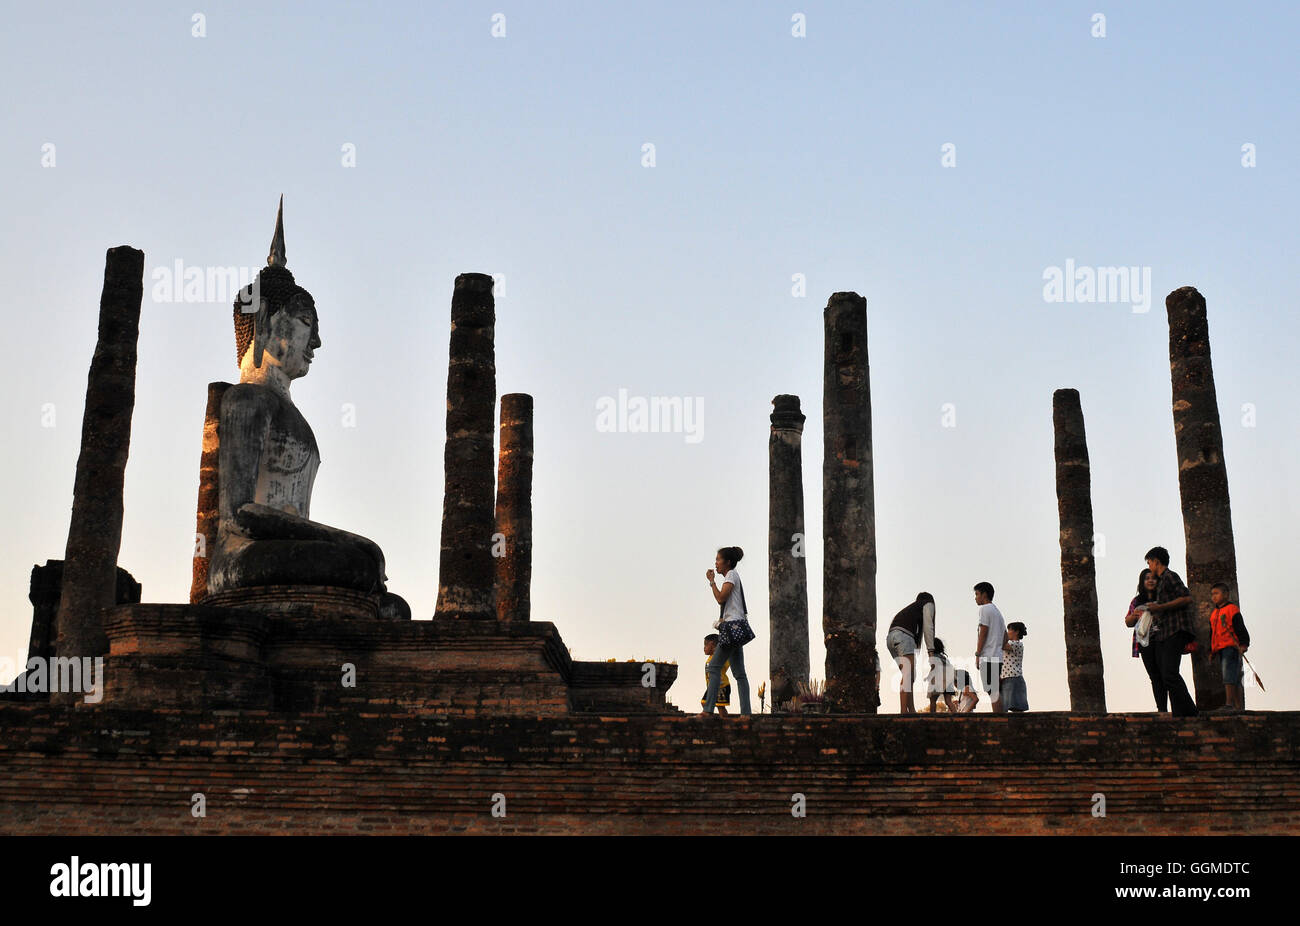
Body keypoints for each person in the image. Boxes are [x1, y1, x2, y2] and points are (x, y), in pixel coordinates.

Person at [1142, 546, 1198, 718]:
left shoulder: (1170, 576)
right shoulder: (1162, 582)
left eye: (1150, 562)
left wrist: (1160, 607)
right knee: (1167, 674)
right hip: (1167, 632)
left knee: (1169, 673)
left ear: (1156, 561)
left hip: (1177, 629)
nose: (1149, 566)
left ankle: (1190, 711)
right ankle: (1181, 713)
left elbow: (1186, 597)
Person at [700, 546, 752, 716]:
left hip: (731, 629)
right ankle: (746, 714)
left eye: (718, 560)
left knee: (714, 667)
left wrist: (712, 582)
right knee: (739, 674)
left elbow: (721, 598)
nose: (716, 563)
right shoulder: (733, 576)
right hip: (736, 628)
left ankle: (707, 711)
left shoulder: (731, 575)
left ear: (727, 562)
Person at [886, 592, 936, 714]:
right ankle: (903, 713)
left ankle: (911, 710)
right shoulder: (928, 604)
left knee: (909, 676)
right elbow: (928, 628)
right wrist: (931, 654)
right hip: (904, 636)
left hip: (891, 638)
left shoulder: (911, 609)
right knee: (908, 676)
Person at [1125, 569, 1166, 712]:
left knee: (1166, 673)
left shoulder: (1163, 598)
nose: (1150, 580)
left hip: (1162, 639)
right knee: (1154, 676)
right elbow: (1128, 622)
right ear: (1142, 582)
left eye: (1153, 578)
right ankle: (1162, 709)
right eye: (1147, 578)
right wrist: (1135, 615)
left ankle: (1175, 708)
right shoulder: (1136, 601)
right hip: (1145, 642)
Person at [1208, 582, 1251, 713]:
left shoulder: (1232, 610)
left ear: (1226, 594)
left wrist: (1244, 644)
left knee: (1229, 675)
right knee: (1234, 677)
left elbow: (1240, 628)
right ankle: (1238, 707)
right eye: (1212, 594)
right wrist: (1212, 650)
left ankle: (1229, 704)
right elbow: (1212, 634)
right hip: (1220, 648)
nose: (1214, 596)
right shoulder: (1214, 613)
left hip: (1231, 647)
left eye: (1217, 593)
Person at [972, 581, 1006, 713]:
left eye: (977, 594)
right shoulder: (998, 613)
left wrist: (978, 654)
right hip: (997, 657)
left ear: (984, 594)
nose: (976, 597)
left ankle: (999, 721)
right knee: (995, 691)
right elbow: (1005, 638)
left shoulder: (984, 609)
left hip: (988, 657)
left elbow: (983, 632)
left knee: (992, 692)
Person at [1000, 622, 1029, 712]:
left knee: (1015, 709)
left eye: (1010, 630)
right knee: (1006, 708)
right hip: (1007, 678)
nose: (1008, 632)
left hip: (1013, 678)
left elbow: (1001, 645)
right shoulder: (1011, 643)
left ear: (1016, 632)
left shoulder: (1017, 644)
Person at [700, 634, 732, 714]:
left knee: (720, 706)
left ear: (713, 646)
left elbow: (725, 665)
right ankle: (712, 718)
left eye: (706, 645)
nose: (704, 648)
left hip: (721, 686)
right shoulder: (710, 657)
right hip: (711, 686)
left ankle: (725, 722)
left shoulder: (721, 657)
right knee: (704, 702)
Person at [926, 638, 958, 713]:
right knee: (948, 701)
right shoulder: (944, 658)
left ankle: (932, 718)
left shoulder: (933, 656)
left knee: (933, 700)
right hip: (948, 679)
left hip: (938, 679)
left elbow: (933, 667)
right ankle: (956, 716)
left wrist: (929, 676)